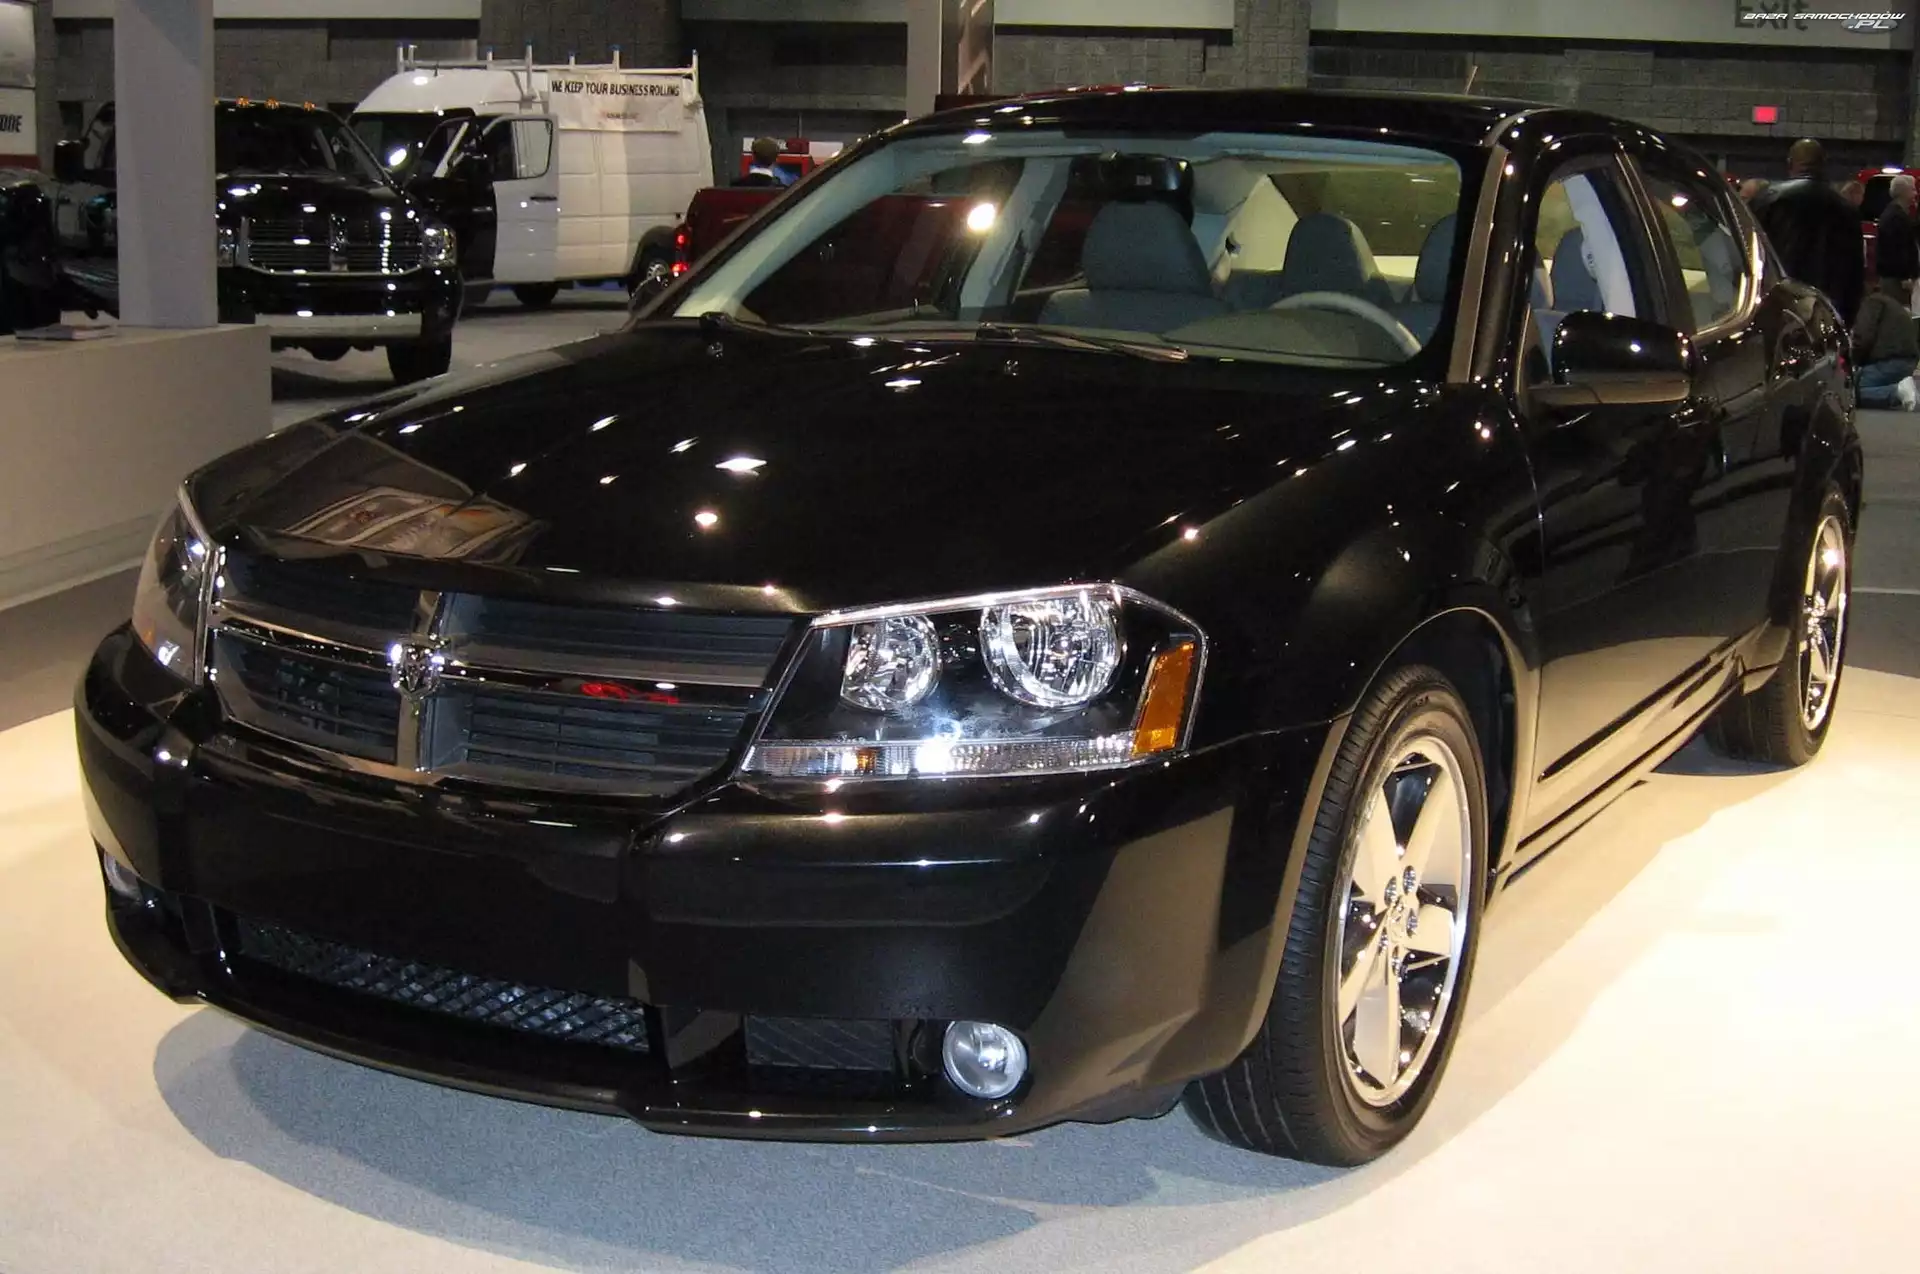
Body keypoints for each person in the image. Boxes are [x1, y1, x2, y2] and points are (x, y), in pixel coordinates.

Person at [1749, 139, 1865, 323]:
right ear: (1823, 165)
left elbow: (1748, 252)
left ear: (1790, 163)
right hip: (1827, 308)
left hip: (1777, 303)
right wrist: (1848, 317)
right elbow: (1855, 271)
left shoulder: (1767, 200)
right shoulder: (1846, 209)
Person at [1851, 277, 1919, 409]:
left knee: (1852, 392)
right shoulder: (1890, 302)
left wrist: (1853, 359)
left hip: (1889, 361)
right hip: (1907, 362)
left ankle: (1897, 392)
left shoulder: (1872, 302)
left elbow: (1863, 337)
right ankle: (1903, 388)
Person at [1875, 174, 1918, 309]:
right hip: (1895, 280)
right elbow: (1896, 249)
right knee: (1897, 312)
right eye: (1913, 189)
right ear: (1903, 192)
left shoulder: (1898, 214)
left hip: (1896, 277)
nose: (1916, 194)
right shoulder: (1895, 217)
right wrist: (1905, 276)